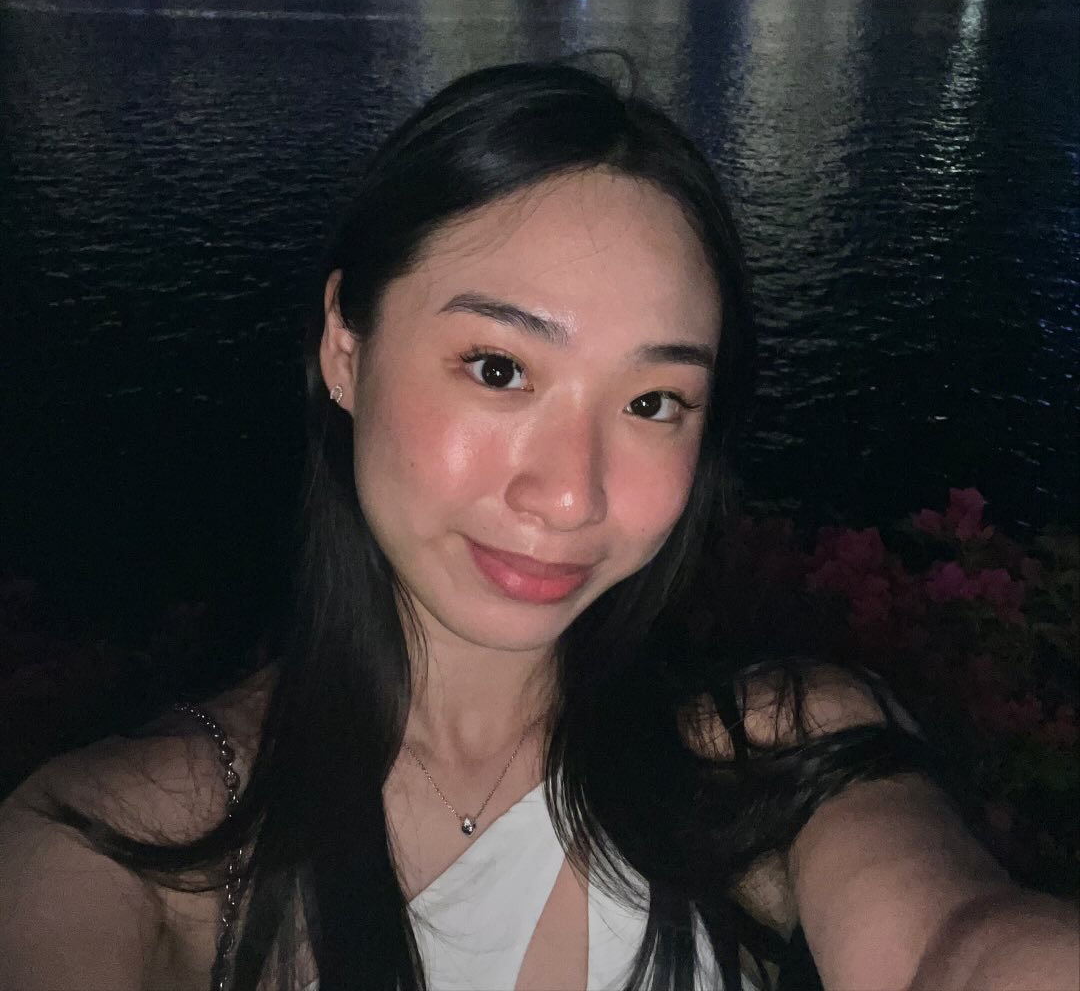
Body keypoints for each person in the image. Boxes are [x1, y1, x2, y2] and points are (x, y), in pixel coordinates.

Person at [0, 60, 1076, 991]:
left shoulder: (777, 763)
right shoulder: (128, 845)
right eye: (499, 368)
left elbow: (956, 946)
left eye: (652, 401)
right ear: (345, 350)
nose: (570, 495)